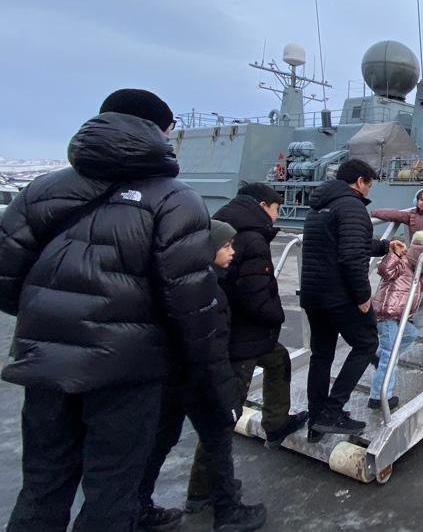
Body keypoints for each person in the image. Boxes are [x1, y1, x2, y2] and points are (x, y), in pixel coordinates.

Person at [0, 89, 237, 531]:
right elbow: (190, 302)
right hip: (128, 375)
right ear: (162, 131)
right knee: (113, 490)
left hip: (45, 368)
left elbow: (5, 276)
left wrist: (54, 321)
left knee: (42, 486)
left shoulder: (41, 190)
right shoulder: (174, 199)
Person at [185, 184, 307, 513]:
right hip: (241, 338)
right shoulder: (253, 239)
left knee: (279, 360)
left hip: (240, 332)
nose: (278, 213)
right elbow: (254, 293)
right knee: (225, 416)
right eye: (277, 208)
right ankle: (200, 490)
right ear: (263, 205)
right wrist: (276, 314)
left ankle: (276, 422)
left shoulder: (224, 227)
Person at [139, 220, 267, 532]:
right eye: (226, 246)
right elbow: (213, 352)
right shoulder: (209, 291)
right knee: (218, 442)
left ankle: (138, 506)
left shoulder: (176, 282)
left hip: (171, 380)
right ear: (208, 250)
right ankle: (228, 512)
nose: (232, 251)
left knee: (159, 443)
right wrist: (228, 400)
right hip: (199, 383)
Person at [301, 159, 403, 441]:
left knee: (321, 355)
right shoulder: (353, 206)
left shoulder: (320, 206)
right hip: (341, 294)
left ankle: (316, 420)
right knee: (367, 343)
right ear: (360, 181)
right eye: (369, 184)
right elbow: (350, 256)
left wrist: (385, 246)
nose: (368, 190)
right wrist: (362, 296)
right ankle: (331, 412)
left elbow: (345, 242)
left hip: (314, 293)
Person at [369, 230, 423, 410]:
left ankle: (377, 354)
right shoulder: (402, 264)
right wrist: (394, 254)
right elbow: (384, 270)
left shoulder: (418, 272)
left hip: (400, 317)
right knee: (391, 356)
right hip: (386, 314)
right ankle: (379, 397)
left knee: (411, 334)